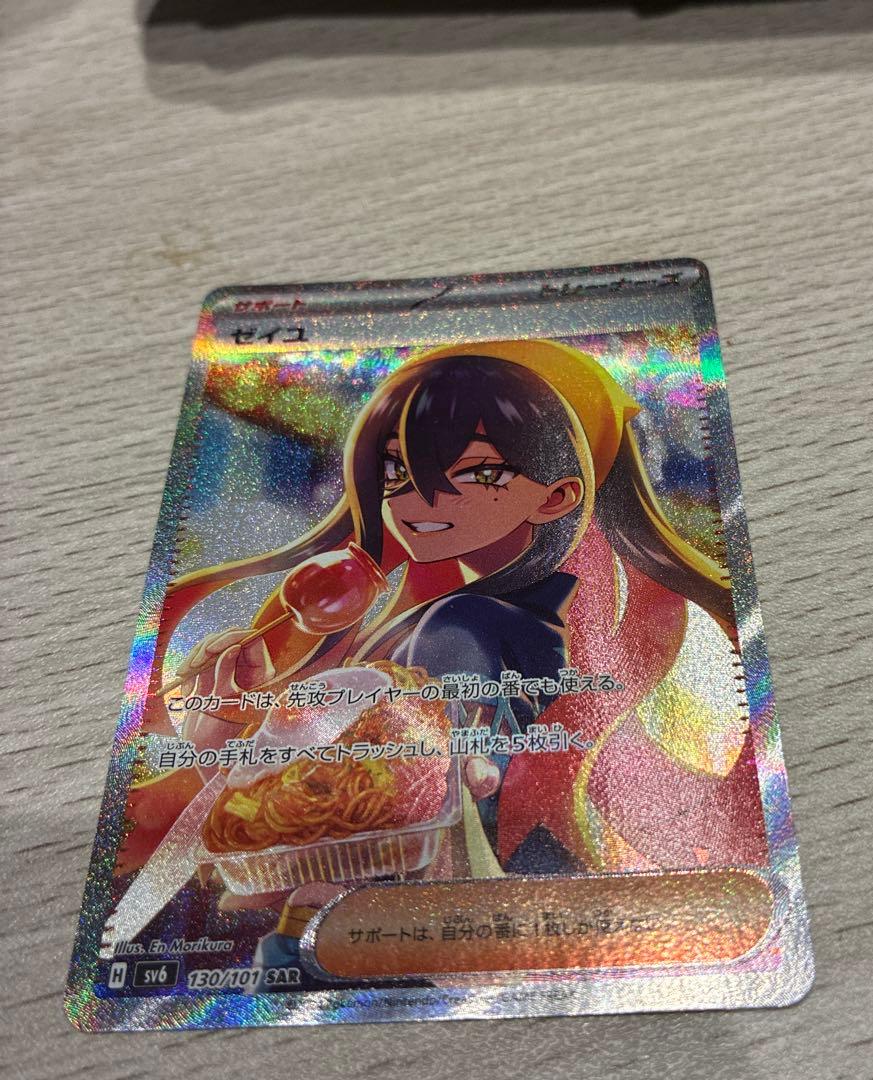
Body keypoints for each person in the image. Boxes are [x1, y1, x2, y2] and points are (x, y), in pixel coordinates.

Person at [124, 340, 768, 976]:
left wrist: (238, 741)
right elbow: (307, 786)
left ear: (557, 495)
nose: (418, 500)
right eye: (397, 472)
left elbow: (400, 795)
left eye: (479, 473)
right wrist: (236, 720)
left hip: (420, 910)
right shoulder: (416, 609)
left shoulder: (476, 624)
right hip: (377, 911)